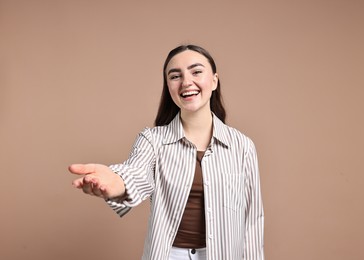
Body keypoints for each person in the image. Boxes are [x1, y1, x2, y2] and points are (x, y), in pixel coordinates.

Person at [69, 44, 264, 260]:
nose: (186, 82)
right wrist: (116, 182)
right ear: (169, 86)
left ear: (214, 81)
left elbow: (252, 219)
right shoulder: (152, 140)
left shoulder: (243, 146)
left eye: (196, 71)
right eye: (175, 76)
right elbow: (136, 173)